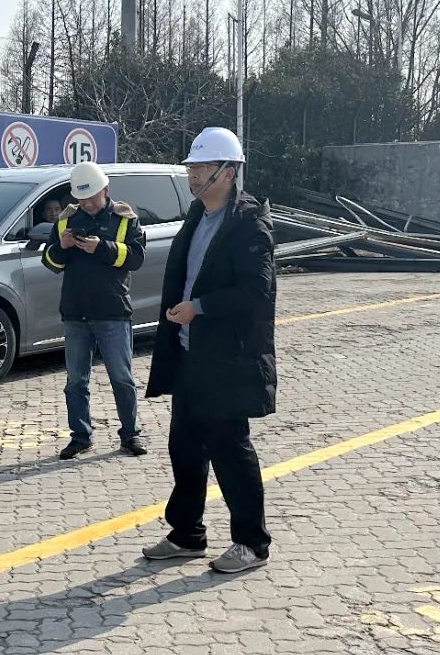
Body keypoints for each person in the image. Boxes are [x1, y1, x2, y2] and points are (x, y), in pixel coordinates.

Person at [141, 127, 277, 574]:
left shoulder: (248, 224)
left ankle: (252, 543)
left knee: (230, 450)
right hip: (190, 356)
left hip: (227, 360)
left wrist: (198, 307)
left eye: (201, 168)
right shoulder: (197, 216)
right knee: (184, 447)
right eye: (191, 168)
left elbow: (255, 290)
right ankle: (187, 534)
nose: (193, 175)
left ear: (228, 172)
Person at [41, 161, 148, 460]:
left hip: (113, 311)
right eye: (81, 198)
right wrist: (62, 247)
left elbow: (136, 258)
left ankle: (130, 435)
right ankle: (80, 437)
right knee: (76, 381)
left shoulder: (125, 219)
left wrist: (101, 248)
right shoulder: (66, 220)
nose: (86, 204)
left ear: (105, 190)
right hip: (75, 313)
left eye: (91, 197)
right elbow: (50, 262)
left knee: (122, 378)